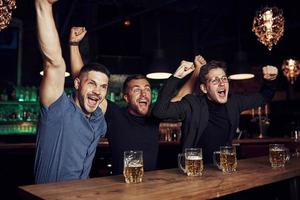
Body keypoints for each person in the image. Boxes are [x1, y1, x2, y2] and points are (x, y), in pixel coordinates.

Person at [69, 27, 205, 174]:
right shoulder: (114, 113)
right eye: (136, 90)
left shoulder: (154, 114)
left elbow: (180, 97)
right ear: (126, 97)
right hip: (120, 186)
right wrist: (74, 45)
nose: (143, 94)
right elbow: (84, 79)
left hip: (150, 186)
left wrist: (196, 72)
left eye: (147, 89)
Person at [34, 0, 109, 183]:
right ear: (77, 84)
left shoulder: (99, 115)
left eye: (103, 86)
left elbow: (81, 77)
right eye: (92, 83)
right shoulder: (58, 110)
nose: (97, 91)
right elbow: (53, 64)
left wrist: (74, 45)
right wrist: (44, 5)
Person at [152, 59, 278, 164]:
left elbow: (263, 97)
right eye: (215, 80)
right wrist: (176, 77)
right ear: (204, 88)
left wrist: (270, 81)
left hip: (224, 166)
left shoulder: (234, 102)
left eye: (224, 79)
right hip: (194, 169)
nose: (222, 83)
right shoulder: (192, 104)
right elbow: (159, 112)